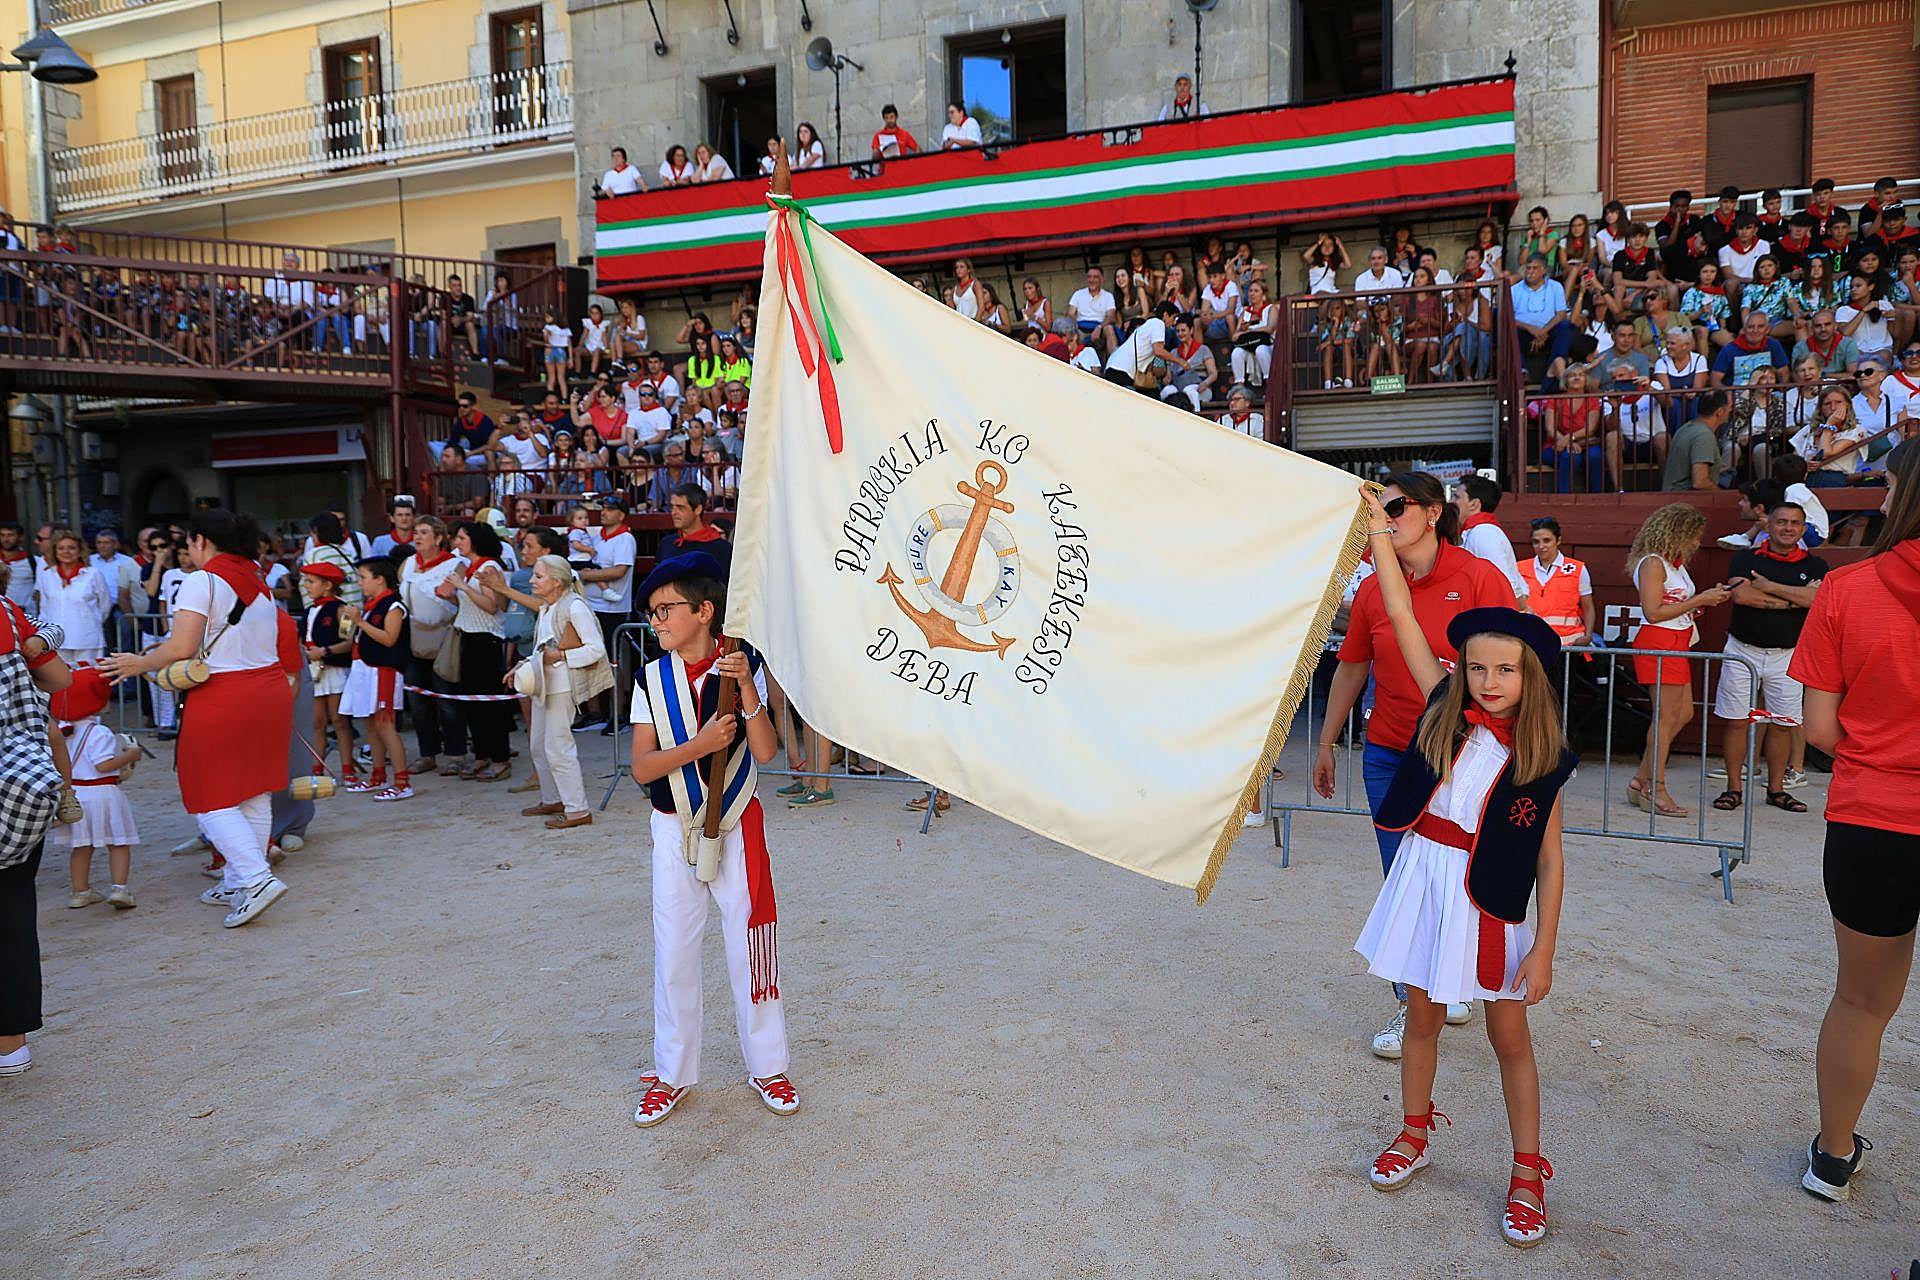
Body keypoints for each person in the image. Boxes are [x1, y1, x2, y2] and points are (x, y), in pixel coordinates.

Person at [1350, 486, 1574, 1249]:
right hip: (1426, 882)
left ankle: (1527, 1171)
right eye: (1478, 667)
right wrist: (1379, 536)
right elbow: (1401, 613)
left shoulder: (1540, 754)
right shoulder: (1443, 705)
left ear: (1529, 675)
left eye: (1505, 669)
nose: (1489, 682)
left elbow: (1551, 858)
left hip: (1492, 901)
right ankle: (1414, 1131)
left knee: (1509, 1037)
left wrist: (1544, 947)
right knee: (1421, 1018)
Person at [1314, 471, 1518, 1058]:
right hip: (1389, 752)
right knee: (1402, 879)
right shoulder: (1374, 590)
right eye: (1376, 512)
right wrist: (1326, 742)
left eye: (1396, 506)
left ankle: (1451, 984)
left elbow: (1516, 663)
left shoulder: (1479, 577)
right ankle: (1413, 1000)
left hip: (1462, 755)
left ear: (1432, 512)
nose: (1384, 519)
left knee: (1460, 874)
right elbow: (1353, 665)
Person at [1791, 445, 1920, 1203]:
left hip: (1873, 818)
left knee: (1861, 1003)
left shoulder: (1847, 588)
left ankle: (1833, 1157)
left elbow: (1819, 729)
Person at [627, 552, 797, 1127]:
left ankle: (768, 1064)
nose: (657, 621)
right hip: (673, 823)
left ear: (704, 611)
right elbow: (643, 767)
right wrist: (700, 746)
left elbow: (766, 750)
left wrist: (747, 687)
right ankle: (671, 1073)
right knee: (674, 948)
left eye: (666, 609)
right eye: (652, 613)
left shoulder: (741, 663)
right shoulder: (652, 678)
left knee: (750, 941)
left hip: (737, 817)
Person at [99, 509, 294, 928]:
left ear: (201, 541)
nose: (186, 551)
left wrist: (139, 662)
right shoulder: (258, 580)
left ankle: (255, 879)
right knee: (254, 790)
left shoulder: (201, 580)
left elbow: (182, 646)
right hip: (269, 690)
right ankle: (240, 879)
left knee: (209, 795)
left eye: (188, 543)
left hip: (225, 693)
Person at [1710, 501, 1826, 815]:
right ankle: (1733, 788)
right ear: (1769, 525)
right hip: (1742, 649)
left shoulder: (1816, 565)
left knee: (1782, 724)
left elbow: (1817, 599)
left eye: (1795, 523)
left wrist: (1769, 587)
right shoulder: (1745, 558)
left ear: (1803, 529)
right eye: (1782, 522)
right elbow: (1742, 595)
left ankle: (1776, 790)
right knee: (1736, 722)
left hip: (1787, 655)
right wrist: (1795, 598)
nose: (1788, 528)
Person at [1624, 503, 1737, 818]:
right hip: (1660, 641)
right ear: (1677, 533)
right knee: (1665, 717)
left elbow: (1673, 607)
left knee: (1682, 713)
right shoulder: (1653, 563)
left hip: (1676, 639)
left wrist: (1703, 601)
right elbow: (1653, 612)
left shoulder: (1672, 564)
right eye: (1694, 536)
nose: (1697, 543)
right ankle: (1654, 787)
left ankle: (1641, 779)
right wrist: (1700, 599)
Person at [0, 600, 72, 1077]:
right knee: (12, 912)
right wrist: (41, 641)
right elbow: (59, 678)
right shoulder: (6, 612)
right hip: (14, 780)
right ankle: (11, 1044)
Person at [518, 555, 611, 831]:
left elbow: (596, 650)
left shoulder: (575, 607)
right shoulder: (549, 606)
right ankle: (553, 799)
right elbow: (542, 650)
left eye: (539, 576)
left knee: (558, 747)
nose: (532, 581)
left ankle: (577, 809)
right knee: (538, 744)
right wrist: (525, 666)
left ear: (557, 581)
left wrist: (561, 656)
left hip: (562, 686)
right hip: (544, 684)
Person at [52, 668, 141, 911]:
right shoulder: (99, 732)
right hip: (104, 794)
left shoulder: (63, 732)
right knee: (118, 843)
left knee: (82, 846)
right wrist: (131, 755)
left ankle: (80, 892)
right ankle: (119, 889)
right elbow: (103, 766)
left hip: (77, 796)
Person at [435, 522, 513, 781]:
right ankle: (482, 754)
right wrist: (453, 595)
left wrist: (463, 586)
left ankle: (500, 758)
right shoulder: (469, 567)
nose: (456, 542)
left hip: (486, 640)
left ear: (475, 541)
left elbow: (492, 606)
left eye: (461, 538)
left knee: (489, 703)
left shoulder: (488, 568)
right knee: (471, 702)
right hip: (468, 637)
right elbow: (470, 605)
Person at [339, 557, 411, 801]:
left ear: (380, 579)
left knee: (385, 724)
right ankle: (377, 776)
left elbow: (390, 638)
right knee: (370, 723)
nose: (359, 583)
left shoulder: (393, 606)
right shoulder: (371, 606)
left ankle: (402, 782)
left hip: (383, 670)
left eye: (363, 577)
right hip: (364, 668)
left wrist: (359, 622)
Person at [576, 496, 636, 734]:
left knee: (614, 662)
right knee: (588, 658)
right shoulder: (597, 537)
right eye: (603, 508)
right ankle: (595, 713)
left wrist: (586, 576)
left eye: (610, 509)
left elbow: (619, 571)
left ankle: (618, 715)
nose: (604, 512)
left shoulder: (625, 538)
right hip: (591, 605)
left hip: (613, 609)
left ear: (621, 515)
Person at [299, 561, 358, 789]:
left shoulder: (342, 610)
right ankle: (317, 770)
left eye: (311, 581)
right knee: (317, 722)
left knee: (340, 721)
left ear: (327, 585)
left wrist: (324, 651)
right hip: (314, 672)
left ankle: (348, 770)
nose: (306, 586)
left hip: (335, 671)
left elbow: (348, 642)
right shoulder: (308, 611)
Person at [1518, 518, 1593, 647]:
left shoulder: (1577, 569)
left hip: (1569, 644)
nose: (1541, 546)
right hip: (1530, 642)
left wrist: (1588, 636)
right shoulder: (1519, 569)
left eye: (1547, 540)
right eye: (1536, 542)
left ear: (1558, 540)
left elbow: (1588, 606)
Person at [1452, 475, 1528, 603]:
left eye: (1457, 497)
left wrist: (1520, 606)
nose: (1451, 501)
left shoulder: (1483, 532)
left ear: (1474, 504)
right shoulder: (1479, 531)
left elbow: (1504, 582)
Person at [1103, 301, 1182, 391]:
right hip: (1122, 370)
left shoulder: (1149, 324)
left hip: (1115, 366)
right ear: (1166, 315)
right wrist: (1180, 361)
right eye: (1174, 317)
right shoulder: (1158, 323)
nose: (1174, 322)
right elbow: (1158, 351)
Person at [657, 482, 734, 573]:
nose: (674, 512)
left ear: (698, 509)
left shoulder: (721, 548)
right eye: (672, 507)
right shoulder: (666, 544)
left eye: (680, 508)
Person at [1664, 388, 1730, 491]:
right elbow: (1700, 482)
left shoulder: (1686, 427)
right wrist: (1723, 495)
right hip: (1686, 498)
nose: (1731, 410)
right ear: (1720, 412)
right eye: (1729, 407)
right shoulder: (1704, 436)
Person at [369, 494, 417, 559]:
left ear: (414, 518)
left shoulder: (421, 541)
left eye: (408, 515)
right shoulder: (380, 542)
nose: (404, 518)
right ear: (392, 518)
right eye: (399, 515)